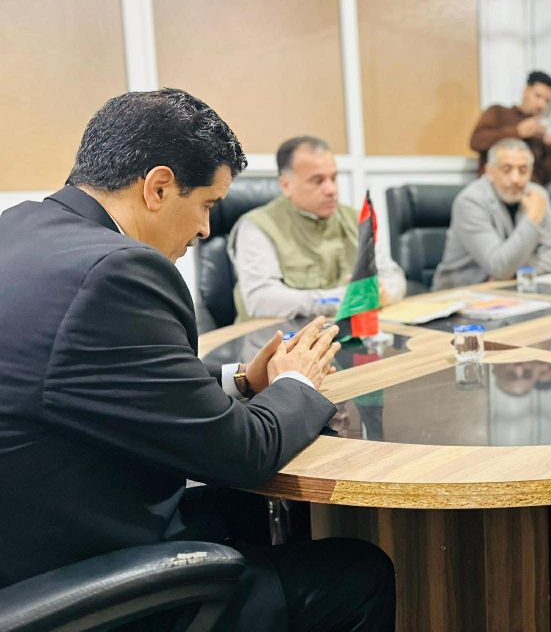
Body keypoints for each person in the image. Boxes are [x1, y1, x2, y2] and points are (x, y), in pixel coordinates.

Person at [0, 89, 395, 631]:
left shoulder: (21, 229)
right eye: (208, 204)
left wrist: (244, 380)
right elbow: (244, 454)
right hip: (78, 576)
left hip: (32, 535)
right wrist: (298, 383)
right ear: (159, 187)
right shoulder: (115, 273)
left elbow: (114, 373)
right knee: (359, 573)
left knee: (252, 511)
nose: (207, 229)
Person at [229, 136, 406, 322]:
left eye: (333, 178)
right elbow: (261, 299)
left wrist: (384, 292)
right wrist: (338, 299)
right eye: (317, 180)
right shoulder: (257, 226)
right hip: (279, 337)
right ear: (286, 185)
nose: (331, 190)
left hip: (346, 332)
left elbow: (393, 275)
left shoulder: (356, 220)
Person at [432, 138, 551, 290]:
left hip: (510, 289)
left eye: (523, 170)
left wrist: (515, 272)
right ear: (489, 172)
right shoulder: (470, 201)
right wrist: (532, 219)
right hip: (460, 293)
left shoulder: (537, 196)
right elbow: (499, 267)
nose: (515, 179)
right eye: (506, 169)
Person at [469, 70, 551, 186]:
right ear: (526, 91)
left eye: (547, 101)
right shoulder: (498, 113)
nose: (541, 105)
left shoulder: (542, 129)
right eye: (538, 96)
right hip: (494, 187)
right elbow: (476, 142)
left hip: (527, 190)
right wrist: (517, 132)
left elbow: (544, 177)